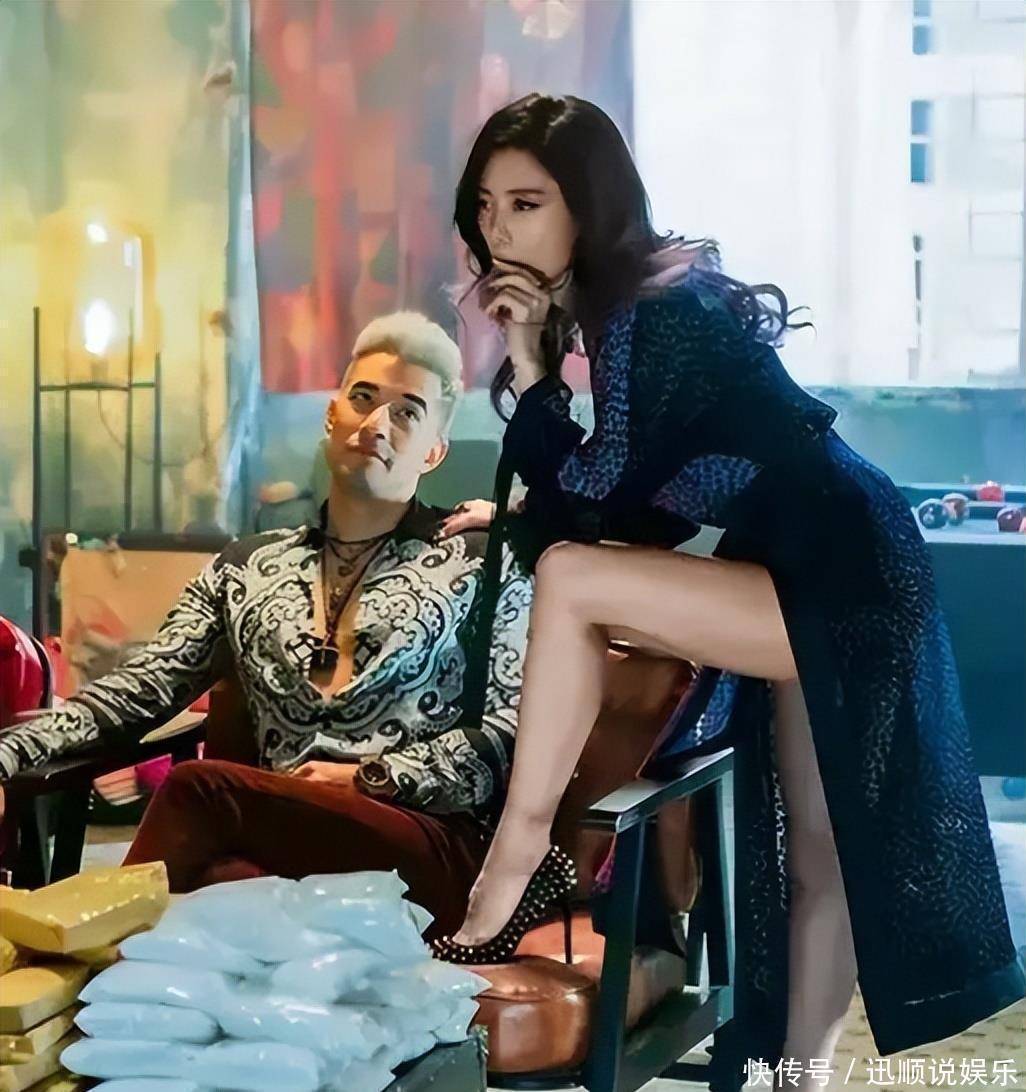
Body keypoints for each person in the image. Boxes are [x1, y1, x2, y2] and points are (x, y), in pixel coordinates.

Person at [431, 94, 1025, 1086]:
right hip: (810, 564)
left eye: (527, 204)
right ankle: (797, 1077)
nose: (499, 232)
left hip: (847, 572)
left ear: (588, 202)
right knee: (816, 857)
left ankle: (519, 857)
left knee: (578, 584)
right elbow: (633, 504)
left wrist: (532, 375)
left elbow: (598, 505)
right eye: (485, 208)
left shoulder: (652, 310)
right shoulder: (628, 312)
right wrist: (531, 477)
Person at [0, 312, 533, 938]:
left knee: (198, 791)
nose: (376, 424)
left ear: (434, 451)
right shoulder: (247, 567)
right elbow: (138, 689)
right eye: (363, 398)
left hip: (424, 840)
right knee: (214, 869)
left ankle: (84, 956)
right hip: (277, 831)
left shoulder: (481, 562)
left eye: (407, 413)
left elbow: (514, 730)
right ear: (332, 415)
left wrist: (374, 777)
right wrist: (7, 753)